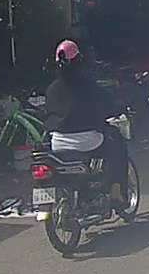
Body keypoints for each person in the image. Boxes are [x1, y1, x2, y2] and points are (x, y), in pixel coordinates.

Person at [44, 39, 128, 206]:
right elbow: (109, 105)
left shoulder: (51, 89)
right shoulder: (89, 86)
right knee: (117, 143)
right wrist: (119, 108)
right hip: (88, 141)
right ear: (79, 60)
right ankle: (116, 191)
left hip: (58, 142)